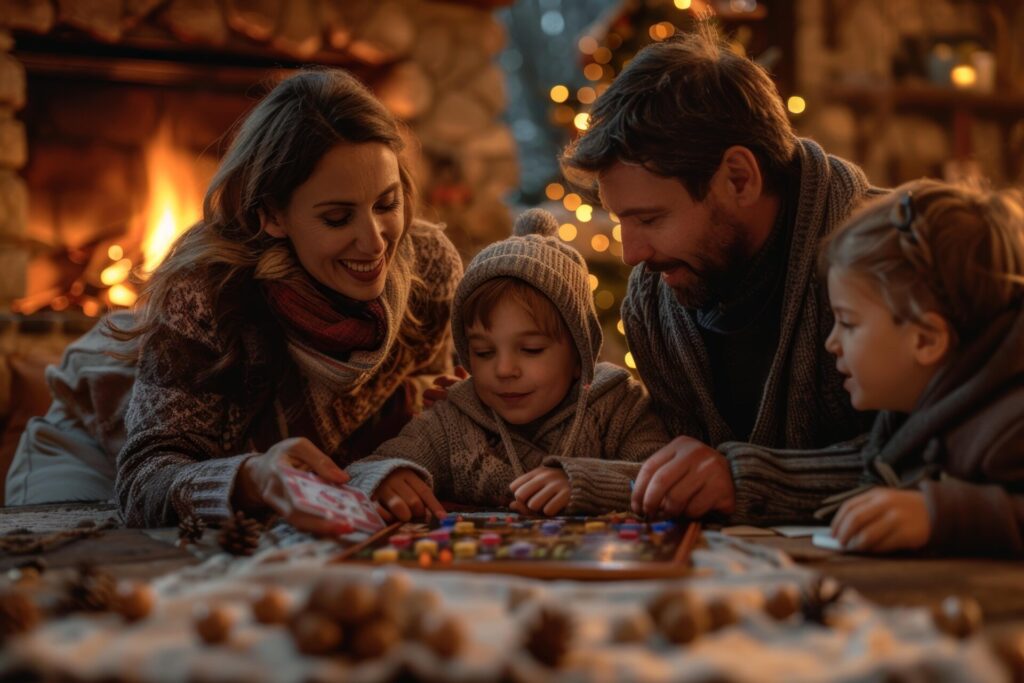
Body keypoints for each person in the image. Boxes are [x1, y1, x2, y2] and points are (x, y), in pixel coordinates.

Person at [7, 69, 463, 534]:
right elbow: (143, 482)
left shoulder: (428, 269)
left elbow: (420, 414)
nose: (373, 243)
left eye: (386, 205)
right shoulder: (206, 290)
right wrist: (250, 477)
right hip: (100, 440)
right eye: (336, 218)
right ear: (271, 215)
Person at [559, 23, 881, 521]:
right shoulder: (653, 303)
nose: (631, 253)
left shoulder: (895, 263)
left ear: (739, 178)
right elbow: (687, 474)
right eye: (623, 220)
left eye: (649, 218)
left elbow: (934, 462)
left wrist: (747, 480)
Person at [693, 180, 1024, 555]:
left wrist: (939, 515)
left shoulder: (1009, 428)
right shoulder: (903, 423)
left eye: (848, 323)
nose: (832, 343)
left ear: (927, 339)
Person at [345, 209, 670, 520]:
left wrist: (585, 483)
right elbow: (362, 471)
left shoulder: (618, 407)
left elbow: (665, 479)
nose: (503, 370)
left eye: (530, 349)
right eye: (484, 353)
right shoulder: (451, 420)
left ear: (579, 355)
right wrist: (385, 477)